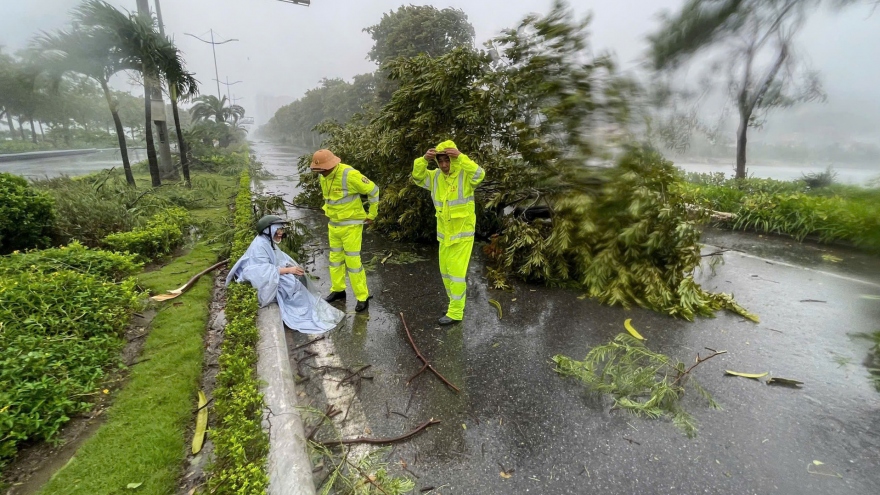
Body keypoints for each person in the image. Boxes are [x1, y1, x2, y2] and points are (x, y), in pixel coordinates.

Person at [225, 215, 344, 334]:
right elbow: (261, 272)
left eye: (282, 230)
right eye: (279, 230)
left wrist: (290, 267)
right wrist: (288, 270)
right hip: (260, 280)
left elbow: (277, 259)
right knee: (290, 284)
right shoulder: (260, 246)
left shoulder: (266, 241)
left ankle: (306, 306)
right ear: (268, 230)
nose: (281, 233)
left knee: (295, 280)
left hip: (269, 275)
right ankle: (302, 311)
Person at [412, 140, 486, 325]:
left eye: (448, 160)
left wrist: (460, 156)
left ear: (453, 159)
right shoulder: (436, 177)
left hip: (462, 235)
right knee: (445, 273)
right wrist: (423, 160)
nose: (444, 165)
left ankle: (456, 312)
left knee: (456, 274)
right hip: (444, 235)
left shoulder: (465, 174)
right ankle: (454, 304)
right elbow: (417, 177)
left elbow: (480, 174)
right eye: (441, 161)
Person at [310, 149, 379, 312]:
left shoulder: (350, 174)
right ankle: (338, 290)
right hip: (334, 225)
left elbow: (374, 190)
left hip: (351, 226)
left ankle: (362, 297)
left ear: (331, 165)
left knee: (353, 262)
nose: (320, 173)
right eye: (318, 170)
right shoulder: (323, 176)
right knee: (335, 259)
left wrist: (372, 214)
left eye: (322, 170)